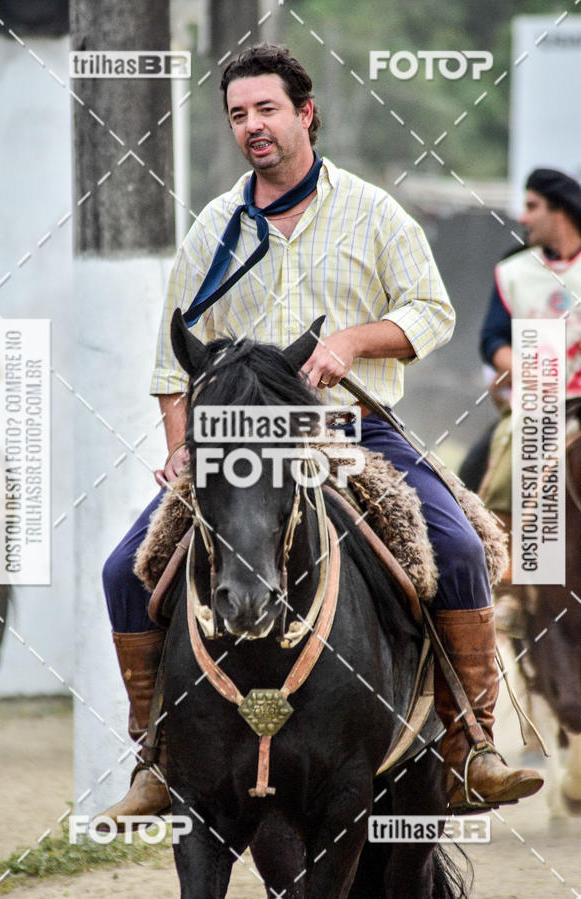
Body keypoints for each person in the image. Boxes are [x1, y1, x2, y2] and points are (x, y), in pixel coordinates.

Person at [99, 44, 542, 825]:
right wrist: (179, 446)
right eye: (238, 114)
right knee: (124, 572)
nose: (252, 126)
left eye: (266, 109)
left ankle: (471, 747)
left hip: (357, 432)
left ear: (305, 112)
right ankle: (158, 754)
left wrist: (352, 342)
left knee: (463, 551)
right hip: (240, 441)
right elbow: (171, 367)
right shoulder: (216, 226)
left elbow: (431, 312)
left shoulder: (373, 211)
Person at [479, 168, 581, 545]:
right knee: (495, 461)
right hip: (540, 405)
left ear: (561, 211)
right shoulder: (515, 272)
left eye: (532, 206)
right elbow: (491, 340)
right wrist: (524, 372)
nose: (522, 218)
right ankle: (506, 574)